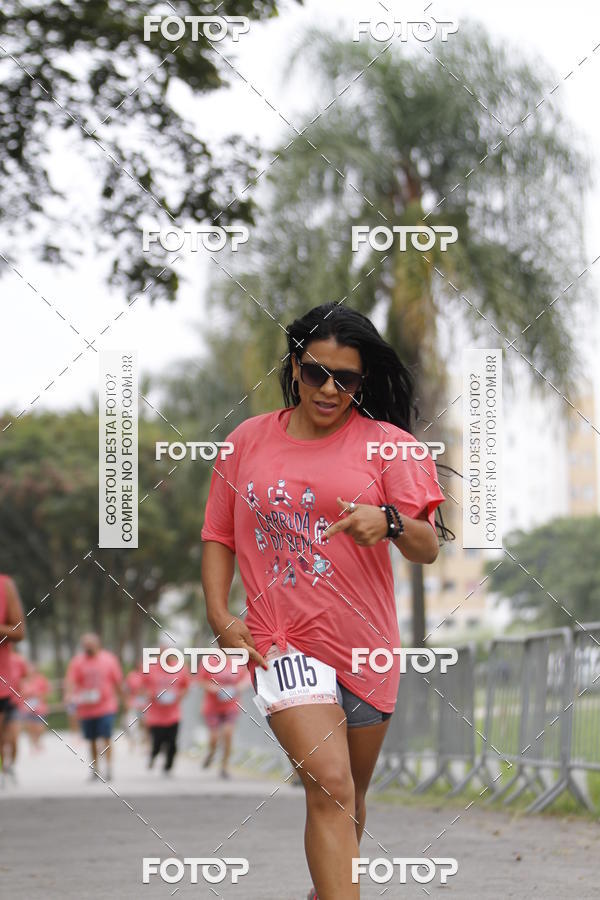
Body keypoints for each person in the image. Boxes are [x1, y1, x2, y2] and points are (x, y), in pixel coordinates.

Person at [201, 303, 449, 900]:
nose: (330, 389)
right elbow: (218, 534)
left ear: (363, 382)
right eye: (317, 373)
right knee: (331, 783)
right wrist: (218, 612)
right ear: (294, 367)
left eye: (347, 378)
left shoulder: (390, 447)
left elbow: (427, 546)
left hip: (366, 649)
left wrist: (387, 521)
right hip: (282, 642)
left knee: (349, 797)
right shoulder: (246, 442)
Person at [65, 633, 123, 781]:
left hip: (106, 706)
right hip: (86, 708)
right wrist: (69, 695)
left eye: (90, 644)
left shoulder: (109, 659)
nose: (88, 647)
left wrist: (124, 699)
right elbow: (71, 680)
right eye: (85, 645)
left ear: (98, 644)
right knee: (91, 740)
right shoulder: (78, 662)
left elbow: (118, 681)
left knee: (106, 737)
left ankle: (109, 768)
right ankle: (95, 768)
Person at [198, 655, 251, 779]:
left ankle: (225, 766)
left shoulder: (238, 661)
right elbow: (201, 680)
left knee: (228, 734)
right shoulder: (209, 661)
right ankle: (211, 753)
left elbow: (247, 678)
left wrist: (238, 688)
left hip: (231, 706)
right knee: (214, 738)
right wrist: (215, 689)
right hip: (212, 706)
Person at [142, 645, 190, 775]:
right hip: (155, 715)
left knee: (172, 742)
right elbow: (143, 687)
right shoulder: (150, 668)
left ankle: (168, 765)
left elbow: (186, 687)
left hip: (173, 714)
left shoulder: (180, 668)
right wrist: (153, 694)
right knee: (157, 742)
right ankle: (153, 755)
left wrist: (179, 695)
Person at [0, 574, 26, 783]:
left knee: (11, 738)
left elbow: (18, 631)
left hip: (9, 696)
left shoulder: (4, 585)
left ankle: (9, 768)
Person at [2, 649, 28, 780]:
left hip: (14, 704)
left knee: (14, 739)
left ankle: (11, 765)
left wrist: (20, 696)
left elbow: (24, 681)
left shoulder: (19, 660)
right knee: (2, 740)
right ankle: (2, 769)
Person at [19, 661, 51, 752]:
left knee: (40, 727)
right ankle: (33, 745)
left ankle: (38, 741)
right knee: (30, 727)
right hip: (27, 707)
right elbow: (20, 694)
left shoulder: (41, 679)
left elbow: (46, 691)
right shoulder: (23, 681)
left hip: (40, 707)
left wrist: (39, 696)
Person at [123, 663, 148, 749]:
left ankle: (145, 741)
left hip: (144, 702)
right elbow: (127, 689)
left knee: (144, 723)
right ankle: (132, 742)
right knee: (133, 723)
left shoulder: (146, 675)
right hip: (133, 702)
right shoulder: (131, 676)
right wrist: (126, 701)